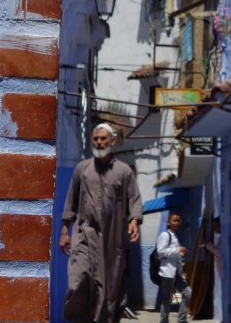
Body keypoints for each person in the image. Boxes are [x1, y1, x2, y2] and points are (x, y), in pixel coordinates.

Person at [60, 123, 143, 323]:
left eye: (103, 138)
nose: (98, 142)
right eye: (95, 138)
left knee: (109, 287)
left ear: (112, 141)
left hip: (112, 240)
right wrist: (64, 231)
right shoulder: (82, 169)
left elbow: (134, 199)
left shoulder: (124, 171)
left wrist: (134, 220)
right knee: (78, 279)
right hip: (84, 235)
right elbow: (71, 200)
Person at [155, 210, 192, 323]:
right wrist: (177, 250)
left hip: (176, 272)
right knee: (167, 300)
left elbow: (173, 253)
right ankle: (164, 321)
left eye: (178, 221)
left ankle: (181, 320)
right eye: (174, 220)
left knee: (187, 292)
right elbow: (160, 252)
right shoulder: (165, 235)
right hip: (167, 272)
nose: (177, 223)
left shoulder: (174, 236)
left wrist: (181, 253)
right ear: (168, 222)